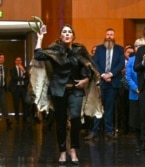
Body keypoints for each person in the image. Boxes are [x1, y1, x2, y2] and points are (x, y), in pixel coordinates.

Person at [34, 24, 99, 165]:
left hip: (76, 89)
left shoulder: (80, 50)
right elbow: (38, 55)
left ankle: (74, 150)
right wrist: (40, 38)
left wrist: (86, 80)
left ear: (73, 36)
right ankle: (63, 151)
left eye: (70, 32)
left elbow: (89, 67)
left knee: (75, 118)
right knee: (61, 122)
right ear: (60, 36)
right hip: (59, 90)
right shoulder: (54, 50)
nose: (67, 33)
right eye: (64, 31)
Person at [85, 28, 124, 140]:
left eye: (111, 34)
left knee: (109, 108)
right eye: (108, 34)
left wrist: (110, 74)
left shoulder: (119, 49)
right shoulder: (99, 49)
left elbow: (121, 63)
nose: (109, 36)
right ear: (105, 36)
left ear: (114, 36)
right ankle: (94, 131)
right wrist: (103, 74)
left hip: (113, 82)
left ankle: (108, 131)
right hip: (100, 82)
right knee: (97, 107)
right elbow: (95, 63)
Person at [125, 38, 145, 153]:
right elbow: (128, 77)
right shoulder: (131, 60)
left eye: (141, 45)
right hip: (134, 94)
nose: (139, 48)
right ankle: (139, 142)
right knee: (135, 121)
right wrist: (136, 88)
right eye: (137, 46)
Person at [9, 57, 30, 123]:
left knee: (25, 103)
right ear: (15, 61)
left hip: (23, 88)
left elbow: (28, 76)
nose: (18, 61)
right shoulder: (12, 69)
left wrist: (23, 70)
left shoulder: (24, 69)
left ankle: (25, 117)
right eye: (17, 60)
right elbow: (14, 78)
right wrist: (23, 77)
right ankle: (17, 119)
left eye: (20, 60)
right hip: (16, 88)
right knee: (16, 104)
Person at [0, 53, 12, 128]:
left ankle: (8, 121)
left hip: (2, 89)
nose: (2, 59)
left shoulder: (5, 68)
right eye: (0, 58)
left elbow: (6, 78)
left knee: (4, 105)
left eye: (3, 58)